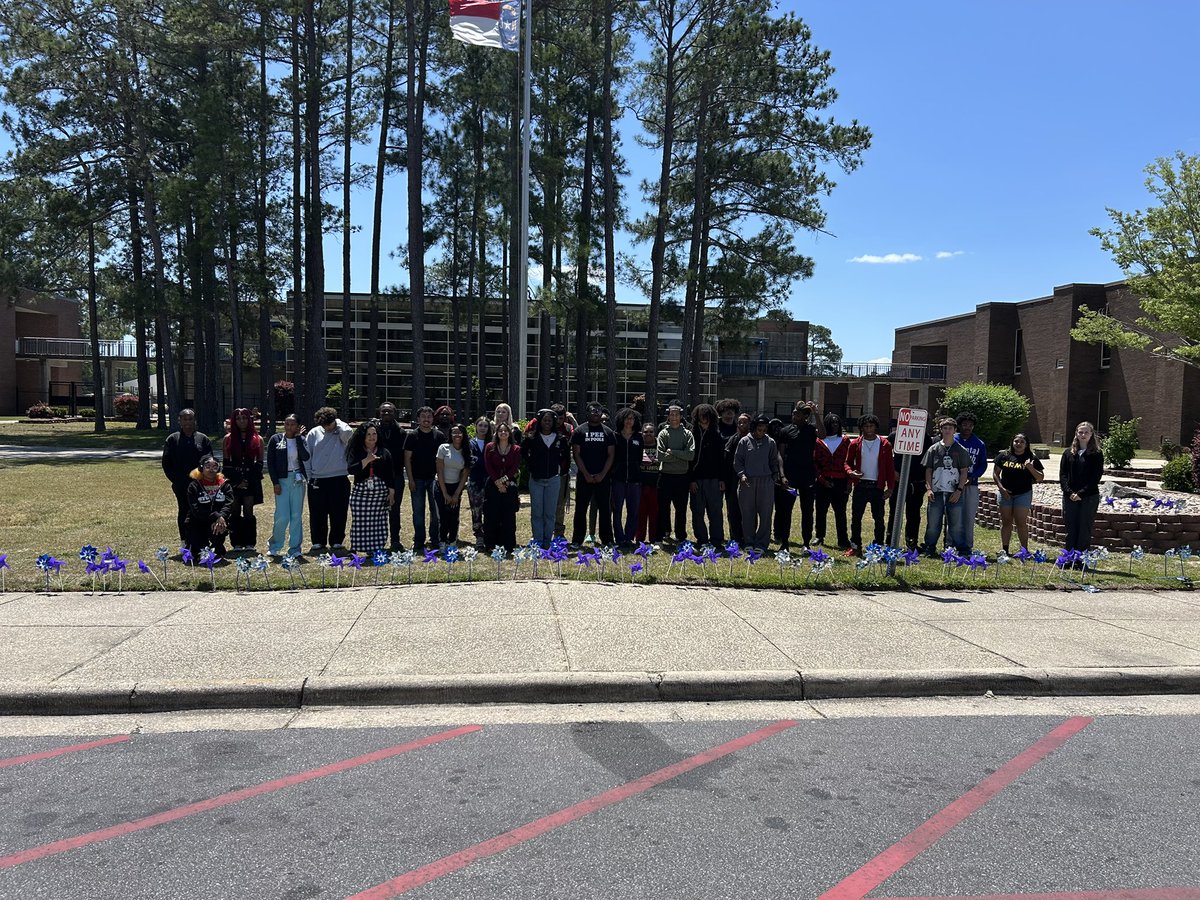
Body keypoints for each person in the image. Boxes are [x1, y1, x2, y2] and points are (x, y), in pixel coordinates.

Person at [921, 417, 973, 556]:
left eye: (950, 428)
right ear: (941, 430)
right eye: (945, 428)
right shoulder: (934, 449)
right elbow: (928, 470)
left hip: (954, 492)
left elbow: (964, 472)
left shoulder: (960, 450)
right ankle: (930, 547)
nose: (947, 430)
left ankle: (961, 548)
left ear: (955, 430)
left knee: (956, 524)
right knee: (933, 523)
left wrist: (959, 490)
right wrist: (929, 488)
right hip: (936, 492)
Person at [305, 406, 353, 553]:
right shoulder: (313, 433)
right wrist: (309, 477)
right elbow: (308, 456)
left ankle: (337, 540)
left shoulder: (342, 431)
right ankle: (318, 541)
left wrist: (337, 424)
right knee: (317, 512)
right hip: (318, 478)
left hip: (339, 478)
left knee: (339, 511)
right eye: (324, 425)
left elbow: (349, 434)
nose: (327, 427)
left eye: (329, 424)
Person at [846, 414, 897, 552]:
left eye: (871, 426)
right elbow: (847, 463)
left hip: (877, 486)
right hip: (861, 485)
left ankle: (878, 546)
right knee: (856, 517)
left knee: (879, 519)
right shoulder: (855, 443)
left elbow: (890, 468)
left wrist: (890, 488)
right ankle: (855, 545)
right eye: (866, 426)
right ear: (861, 428)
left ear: (876, 427)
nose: (869, 429)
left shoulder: (885, 444)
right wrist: (850, 472)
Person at [735, 414, 785, 552]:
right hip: (748, 482)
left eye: (764, 430)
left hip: (765, 482)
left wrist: (776, 475)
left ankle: (762, 543)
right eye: (759, 429)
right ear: (754, 428)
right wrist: (742, 475)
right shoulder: (744, 442)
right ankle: (749, 541)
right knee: (747, 514)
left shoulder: (770, 442)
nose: (761, 432)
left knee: (765, 513)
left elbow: (773, 461)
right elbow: (738, 461)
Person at [162, 409, 213, 543]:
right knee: (184, 510)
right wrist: (176, 480)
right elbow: (167, 464)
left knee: (201, 509)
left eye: (190, 419)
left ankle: (202, 539)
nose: (188, 422)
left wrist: (204, 478)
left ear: (195, 421)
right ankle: (185, 540)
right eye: (184, 419)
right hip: (181, 484)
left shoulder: (203, 439)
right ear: (180, 421)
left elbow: (209, 461)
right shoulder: (173, 439)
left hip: (200, 483)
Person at [346, 419, 397, 554]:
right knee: (359, 521)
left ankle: (375, 548)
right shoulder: (356, 451)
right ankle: (356, 547)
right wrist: (367, 460)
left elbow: (390, 473)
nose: (372, 437)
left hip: (379, 492)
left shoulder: (384, 452)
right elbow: (351, 469)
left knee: (378, 521)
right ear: (363, 436)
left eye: (374, 434)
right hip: (361, 492)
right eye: (368, 434)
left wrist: (391, 491)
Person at [571, 403, 616, 548]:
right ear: (587, 413)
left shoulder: (608, 432)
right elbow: (576, 454)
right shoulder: (579, 431)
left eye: (598, 411)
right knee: (581, 509)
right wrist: (586, 474)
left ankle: (607, 539)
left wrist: (602, 474)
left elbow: (611, 455)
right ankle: (577, 540)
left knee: (604, 509)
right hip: (584, 477)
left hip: (603, 478)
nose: (596, 413)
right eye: (592, 411)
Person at [522, 409, 568, 548]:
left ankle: (548, 542)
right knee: (537, 512)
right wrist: (532, 466)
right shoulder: (532, 438)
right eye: (544, 420)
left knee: (550, 513)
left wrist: (561, 469)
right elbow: (523, 453)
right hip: (536, 480)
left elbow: (566, 456)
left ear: (554, 422)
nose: (547, 422)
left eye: (550, 420)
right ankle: (538, 541)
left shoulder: (561, 438)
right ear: (540, 422)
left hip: (553, 480)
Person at [775, 401, 818, 550]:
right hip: (790, 476)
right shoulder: (786, 431)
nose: (794, 416)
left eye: (798, 414)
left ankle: (806, 543)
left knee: (807, 511)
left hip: (807, 476)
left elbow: (824, 435)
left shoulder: (811, 430)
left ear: (805, 416)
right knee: (785, 510)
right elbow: (780, 454)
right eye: (793, 413)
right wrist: (782, 475)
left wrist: (816, 413)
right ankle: (785, 542)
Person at [993, 433, 1045, 554]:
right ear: (1012, 442)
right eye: (1016, 441)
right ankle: (1005, 549)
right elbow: (996, 474)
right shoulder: (1004, 455)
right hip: (1005, 493)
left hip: (1023, 493)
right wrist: (1001, 489)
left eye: (1022, 442)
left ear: (1026, 444)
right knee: (1006, 521)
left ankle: (1024, 551)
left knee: (1021, 522)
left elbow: (1040, 478)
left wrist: (1030, 467)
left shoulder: (1031, 458)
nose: (1018, 444)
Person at [266, 414, 309, 558]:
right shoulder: (276, 439)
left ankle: (295, 548)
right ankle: (275, 545)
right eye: (286, 424)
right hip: (282, 480)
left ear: (297, 426)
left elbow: (305, 457)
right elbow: (270, 463)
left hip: (297, 479)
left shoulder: (301, 439)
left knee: (296, 515)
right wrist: (275, 483)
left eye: (292, 424)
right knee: (282, 516)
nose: (289, 427)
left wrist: (298, 438)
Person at [404, 406, 447, 552]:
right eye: (423, 416)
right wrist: (410, 479)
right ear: (418, 419)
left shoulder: (439, 436)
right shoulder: (412, 436)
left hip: (434, 480)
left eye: (429, 416)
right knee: (418, 512)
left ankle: (435, 540)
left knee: (435, 512)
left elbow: (443, 460)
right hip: (417, 479)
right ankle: (419, 541)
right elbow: (407, 459)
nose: (426, 419)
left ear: (433, 418)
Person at [222, 408, 264, 551]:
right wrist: (238, 481)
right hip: (234, 480)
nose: (242, 421)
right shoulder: (228, 439)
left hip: (251, 480)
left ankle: (250, 542)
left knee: (248, 511)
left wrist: (247, 480)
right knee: (234, 510)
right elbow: (226, 465)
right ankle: (236, 543)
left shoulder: (258, 439)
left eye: (244, 418)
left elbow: (259, 464)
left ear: (249, 420)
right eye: (238, 419)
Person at [886, 427, 933, 550]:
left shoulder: (926, 438)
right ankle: (890, 542)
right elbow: (885, 453)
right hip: (898, 481)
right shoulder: (894, 435)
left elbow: (929, 460)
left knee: (913, 514)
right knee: (895, 513)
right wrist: (892, 470)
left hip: (916, 483)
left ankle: (911, 543)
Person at [1060, 421, 1104, 552]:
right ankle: (1069, 558)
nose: (1083, 435)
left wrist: (1081, 493)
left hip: (1089, 496)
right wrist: (1069, 492)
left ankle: (1080, 559)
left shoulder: (1096, 454)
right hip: (1070, 497)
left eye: (1086, 432)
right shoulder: (1068, 453)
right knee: (1070, 528)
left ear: (1091, 434)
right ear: (1076, 434)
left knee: (1084, 529)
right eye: (1080, 432)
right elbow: (1063, 475)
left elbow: (1096, 477)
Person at [656, 404, 695, 544]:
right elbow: (660, 456)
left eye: (676, 414)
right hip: (665, 475)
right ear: (668, 416)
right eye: (671, 414)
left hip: (682, 476)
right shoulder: (663, 433)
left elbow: (690, 455)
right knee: (663, 507)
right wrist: (680, 455)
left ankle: (680, 535)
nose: (674, 417)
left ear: (681, 416)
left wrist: (672, 452)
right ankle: (664, 533)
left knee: (681, 508)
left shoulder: (687, 434)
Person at [813, 413, 852, 550]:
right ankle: (819, 535)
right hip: (823, 481)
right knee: (821, 510)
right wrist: (822, 480)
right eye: (832, 422)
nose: (835, 425)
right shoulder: (819, 441)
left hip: (841, 481)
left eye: (837, 423)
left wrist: (849, 483)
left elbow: (850, 462)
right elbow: (815, 463)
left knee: (840, 512)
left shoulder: (845, 441)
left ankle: (843, 539)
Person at [688, 404, 725, 547]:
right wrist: (691, 480)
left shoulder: (716, 435)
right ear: (697, 417)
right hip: (696, 480)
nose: (704, 418)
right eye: (701, 415)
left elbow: (722, 460)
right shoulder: (691, 434)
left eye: (707, 415)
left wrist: (722, 479)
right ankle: (702, 539)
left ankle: (716, 540)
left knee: (715, 511)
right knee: (697, 511)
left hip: (714, 480)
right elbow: (689, 461)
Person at [185, 454, 234, 559]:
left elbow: (228, 504)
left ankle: (218, 546)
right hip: (198, 521)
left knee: (219, 528)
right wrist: (216, 516)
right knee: (198, 554)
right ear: (201, 468)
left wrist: (222, 517)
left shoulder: (225, 484)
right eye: (208, 466)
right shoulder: (194, 486)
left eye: (214, 467)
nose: (211, 470)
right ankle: (197, 545)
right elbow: (196, 509)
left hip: (218, 522)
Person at [484, 421, 522, 553]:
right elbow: (488, 465)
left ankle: (508, 545)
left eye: (506, 431)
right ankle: (490, 544)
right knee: (491, 515)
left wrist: (504, 481)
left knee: (508, 516)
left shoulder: (516, 449)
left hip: (509, 486)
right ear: (496, 433)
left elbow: (515, 467)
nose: (503, 433)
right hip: (493, 484)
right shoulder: (490, 447)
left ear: (509, 433)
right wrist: (498, 482)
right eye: (500, 431)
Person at [376, 402, 409, 550]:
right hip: (377, 476)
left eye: (389, 411)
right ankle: (376, 542)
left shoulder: (401, 433)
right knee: (376, 510)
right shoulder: (374, 431)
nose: (387, 414)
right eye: (384, 411)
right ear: (380, 413)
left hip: (396, 477)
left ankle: (395, 540)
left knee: (394, 510)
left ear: (394, 413)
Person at [954, 412, 988, 551]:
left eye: (970, 425)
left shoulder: (979, 443)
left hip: (971, 485)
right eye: (964, 424)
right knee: (953, 515)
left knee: (969, 516)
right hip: (953, 485)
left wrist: (973, 476)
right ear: (960, 425)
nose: (967, 427)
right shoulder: (953, 440)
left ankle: (967, 545)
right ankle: (951, 544)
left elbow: (983, 464)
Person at [610, 408, 644, 548]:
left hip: (635, 480)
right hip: (618, 479)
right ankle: (619, 537)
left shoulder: (638, 437)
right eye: (627, 418)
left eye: (632, 418)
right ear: (622, 420)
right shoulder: (615, 436)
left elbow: (640, 457)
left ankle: (629, 537)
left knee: (633, 510)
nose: (629, 421)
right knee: (617, 510)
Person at [436, 423, 472, 547]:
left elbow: (465, 474)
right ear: (450, 434)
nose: (457, 434)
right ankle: (442, 541)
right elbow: (439, 471)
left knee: (454, 516)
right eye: (454, 432)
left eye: (459, 432)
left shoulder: (466, 451)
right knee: (443, 515)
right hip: (441, 486)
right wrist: (445, 493)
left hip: (456, 486)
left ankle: (452, 541)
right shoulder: (443, 448)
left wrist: (456, 493)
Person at [722, 413, 752, 545]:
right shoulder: (733, 439)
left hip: (751, 479)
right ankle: (735, 538)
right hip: (733, 480)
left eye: (744, 422)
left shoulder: (755, 439)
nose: (741, 425)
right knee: (733, 510)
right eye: (739, 422)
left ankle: (749, 537)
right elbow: (725, 459)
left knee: (749, 510)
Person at [467, 417, 493, 549]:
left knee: (489, 509)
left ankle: (489, 535)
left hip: (489, 482)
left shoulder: (493, 443)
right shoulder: (470, 443)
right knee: (476, 511)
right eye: (480, 425)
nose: (483, 428)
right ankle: (478, 535)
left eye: (485, 426)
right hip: (474, 481)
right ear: (476, 426)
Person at [636, 421, 660, 543]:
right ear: (642, 433)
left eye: (651, 432)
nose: (648, 434)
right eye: (646, 432)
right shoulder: (638, 445)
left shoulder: (659, 446)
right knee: (641, 513)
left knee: (654, 514)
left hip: (655, 485)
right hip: (641, 485)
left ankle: (654, 539)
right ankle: (639, 538)